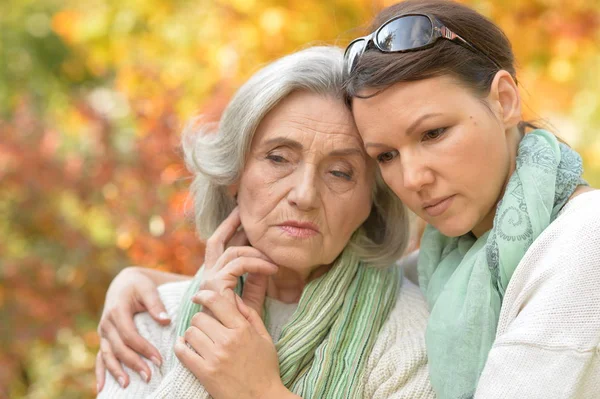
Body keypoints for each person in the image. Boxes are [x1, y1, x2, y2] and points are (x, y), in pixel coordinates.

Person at [96, 46, 434, 398]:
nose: (304, 195)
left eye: (339, 172)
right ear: (234, 176)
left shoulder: (411, 333)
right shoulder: (153, 318)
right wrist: (201, 361)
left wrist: (258, 391)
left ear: (373, 201)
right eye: (278, 158)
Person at [345, 0, 600, 398]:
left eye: (433, 133)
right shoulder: (420, 275)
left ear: (504, 100)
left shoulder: (586, 240)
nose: (413, 179)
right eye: (386, 156)